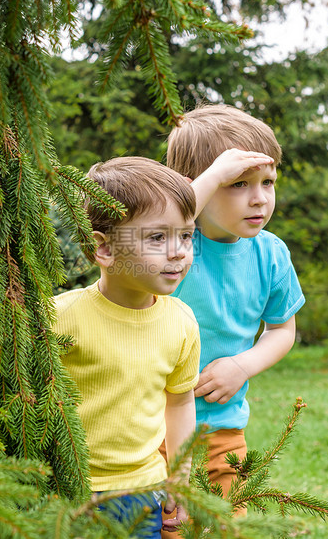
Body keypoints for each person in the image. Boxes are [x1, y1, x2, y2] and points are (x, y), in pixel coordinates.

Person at [163, 104, 306, 517]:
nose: (259, 197)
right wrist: (205, 182)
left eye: (268, 181)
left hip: (222, 429)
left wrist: (241, 366)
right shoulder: (176, 246)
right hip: (150, 426)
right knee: (164, 523)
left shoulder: (271, 254)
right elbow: (168, 218)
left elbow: (282, 330)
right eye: (239, 183)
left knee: (228, 523)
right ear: (199, 186)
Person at [53, 156, 201, 538]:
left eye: (186, 235)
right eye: (157, 237)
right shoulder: (59, 317)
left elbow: (180, 402)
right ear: (104, 249)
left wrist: (179, 479)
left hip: (142, 491)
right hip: (67, 489)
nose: (178, 251)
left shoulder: (181, 322)